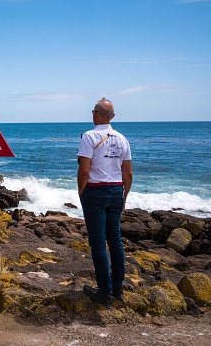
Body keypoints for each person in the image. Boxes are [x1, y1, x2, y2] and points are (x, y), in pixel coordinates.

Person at [77, 97, 132, 307]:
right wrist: (124, 196)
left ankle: (105, 293)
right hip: (116, 190)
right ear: (113, 117)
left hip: (95, 191)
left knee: (99, 242)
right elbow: (128, 173)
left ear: (94, 114)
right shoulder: (122, 139)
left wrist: (81, 191)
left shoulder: (89, 137)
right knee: (115, 240)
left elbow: (84, 170)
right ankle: (117, 288)